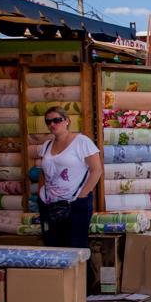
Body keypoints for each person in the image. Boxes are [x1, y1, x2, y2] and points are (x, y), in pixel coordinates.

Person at [38, 107, 102, 249]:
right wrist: (41, 193)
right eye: (48, 122)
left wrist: (82, 196)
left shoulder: (82, 142)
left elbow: (96, 170)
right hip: (49, 203)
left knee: (76, 246)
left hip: (74, 202)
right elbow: (43, 171)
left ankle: (78, 273)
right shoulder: (47, 145)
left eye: (57, 120)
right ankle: (57, 273)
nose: (52, 124)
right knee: (52, 246)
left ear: (67, 121)